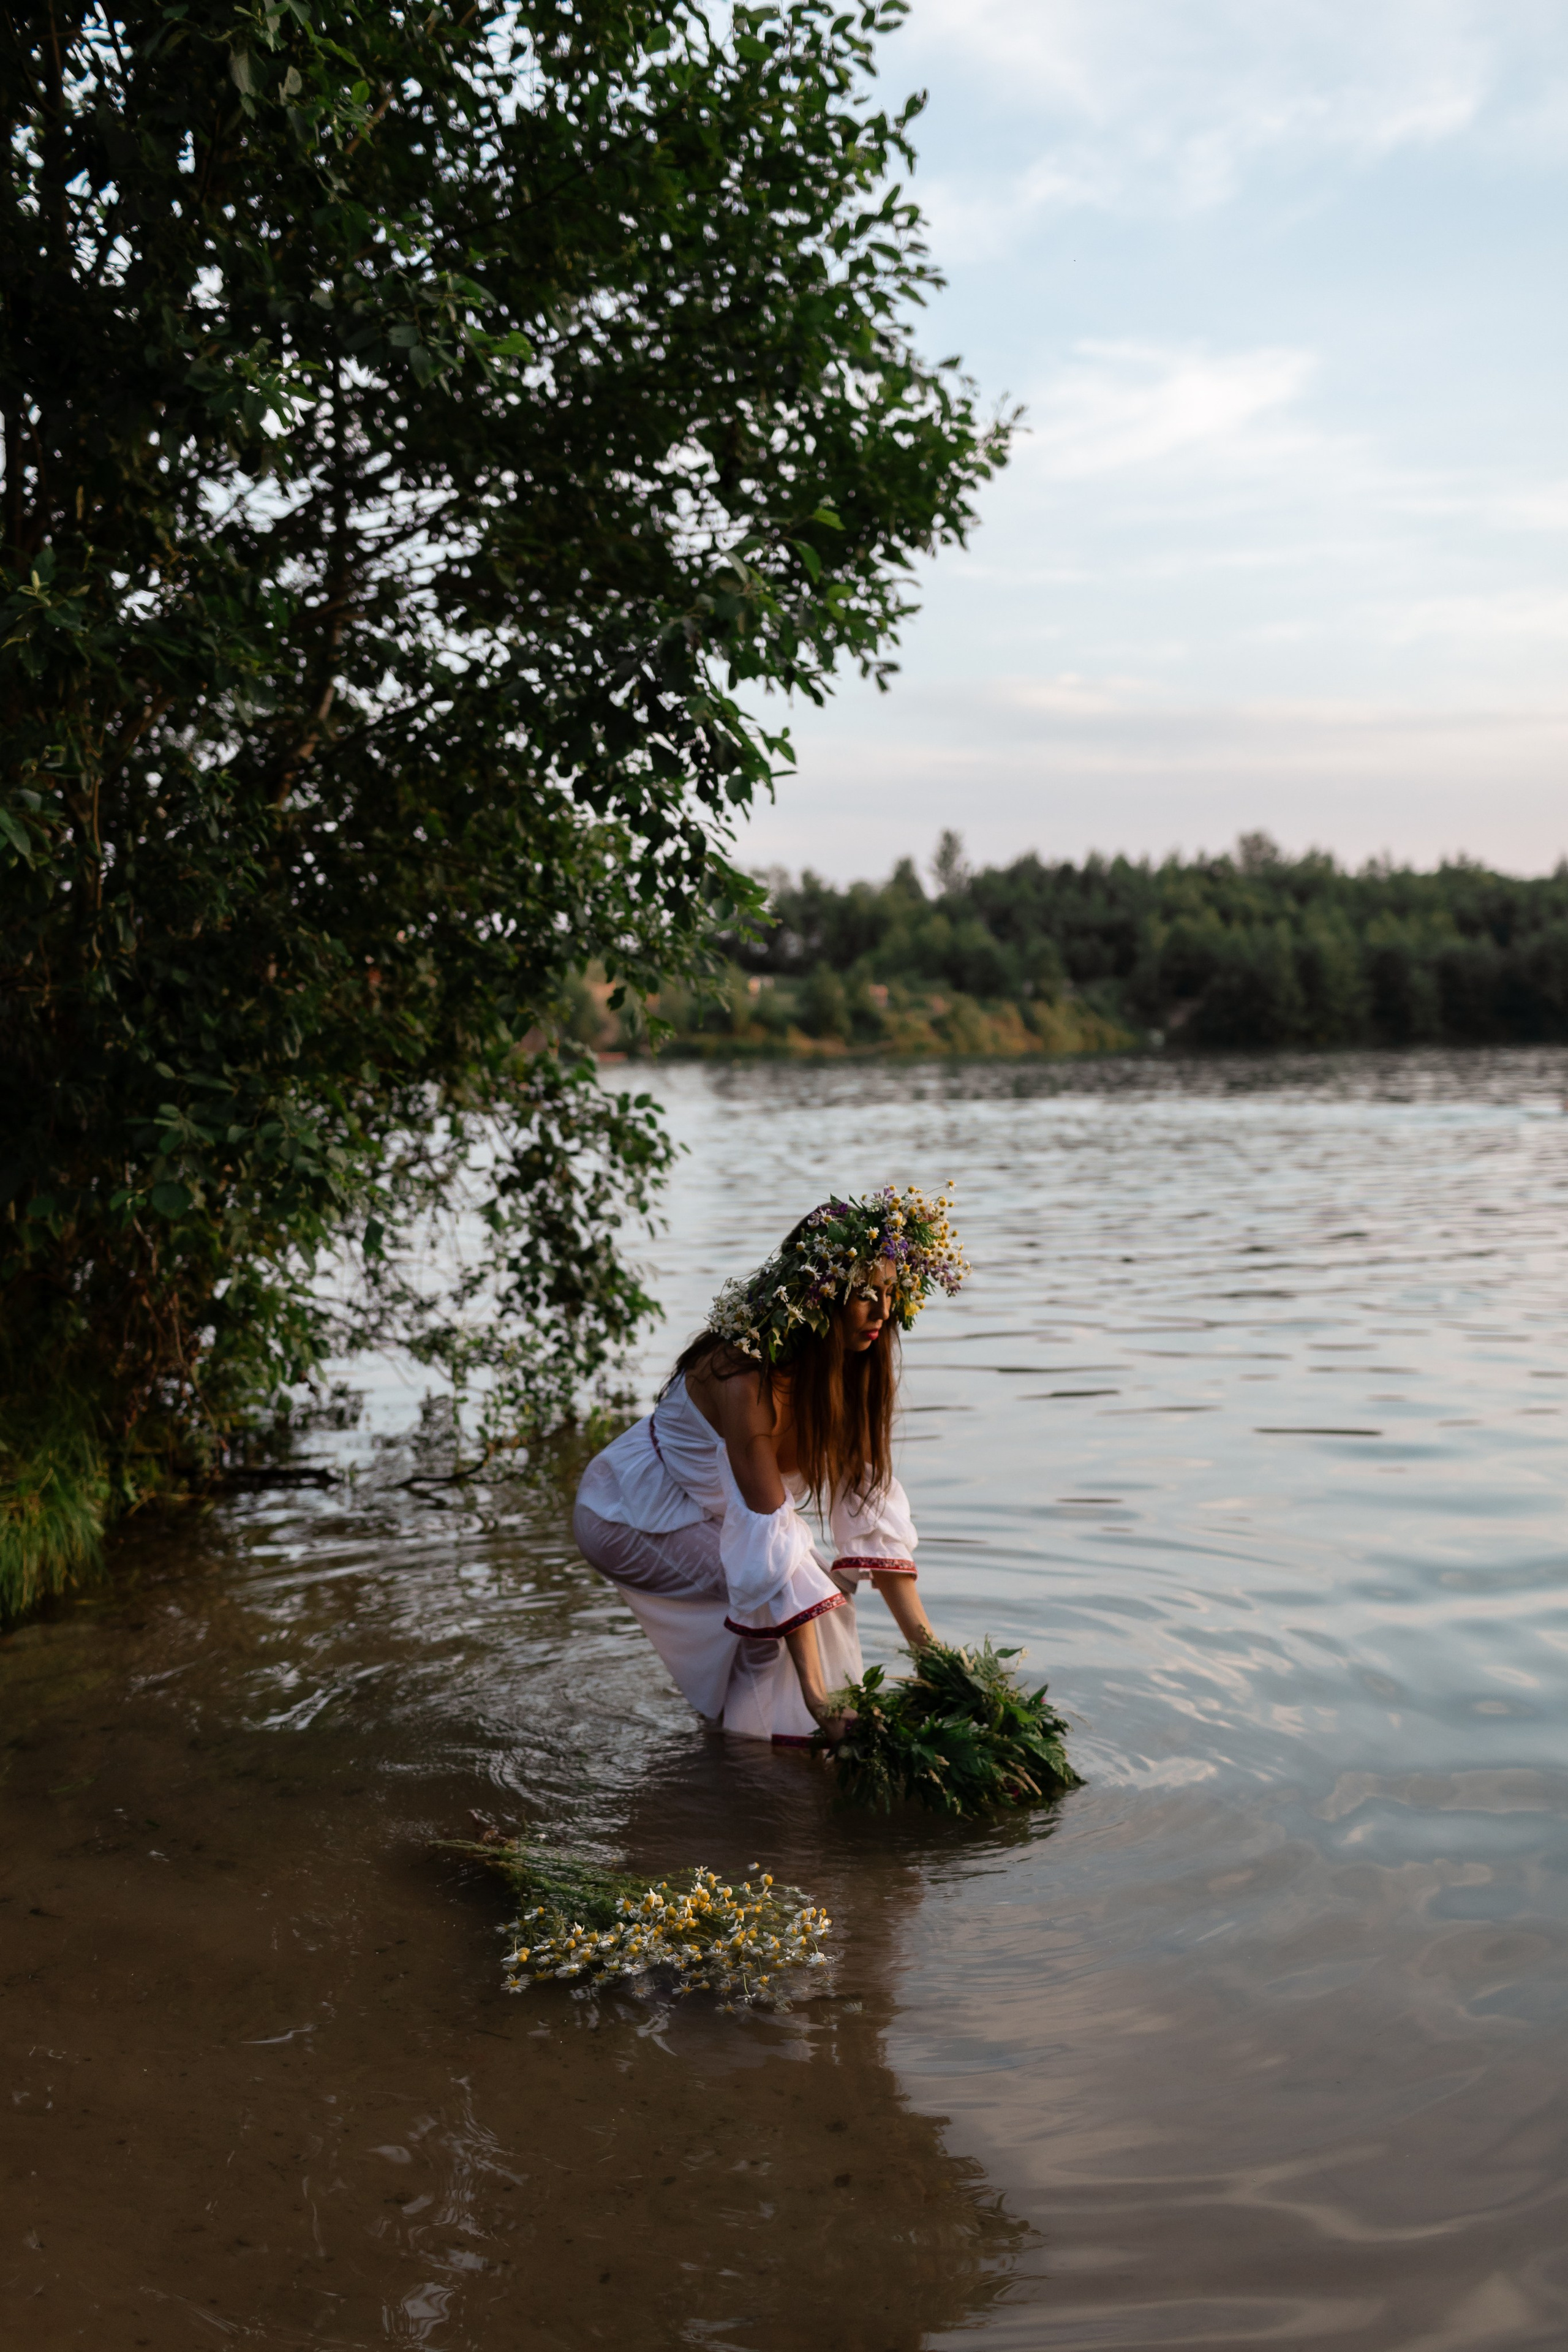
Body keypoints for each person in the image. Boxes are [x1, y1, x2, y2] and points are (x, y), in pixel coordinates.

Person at [572, 1186, 968, 1745]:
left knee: (808, 1599)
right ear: (817, 1295)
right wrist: (817, 1695)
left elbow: (873, 1521)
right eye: (863, 1295)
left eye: (890, 1293)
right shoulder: (745, 1377)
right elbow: (771, 1546)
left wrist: (934, 1657)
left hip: (707, 1512)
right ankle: (777, 1760)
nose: (883, 1311)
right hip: (630, 1513)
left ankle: (740, 1767)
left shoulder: (852, 1372)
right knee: (794, 1613)